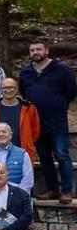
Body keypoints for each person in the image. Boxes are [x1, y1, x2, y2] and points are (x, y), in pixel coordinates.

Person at [19, 40, 76, 203]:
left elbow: (71, 91)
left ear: (47, 50)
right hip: (36, 122)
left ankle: (66, 190)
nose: (35, 52)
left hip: (57, 121)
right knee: (44, 158)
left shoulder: (61, 69)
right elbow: (24, 93)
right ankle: (53, 189)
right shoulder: (26, 72)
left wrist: (58, 104)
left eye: (38, 49)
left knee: (62, 155)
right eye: (32, 50)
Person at [0, 78, 40, 162]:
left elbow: (35, 130)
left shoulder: (28, 107)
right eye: (5, 88)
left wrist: (28, 143)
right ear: (1, 90)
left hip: (23, 150)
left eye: (11, 87)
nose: (8, 91)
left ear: (17, 89)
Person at [0, 122, 34, 192]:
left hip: (16, 198)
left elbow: (28, 179)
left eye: (4, 132)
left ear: (10, 135)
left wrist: (18, 196)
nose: (1, 134)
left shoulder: (23, 154)